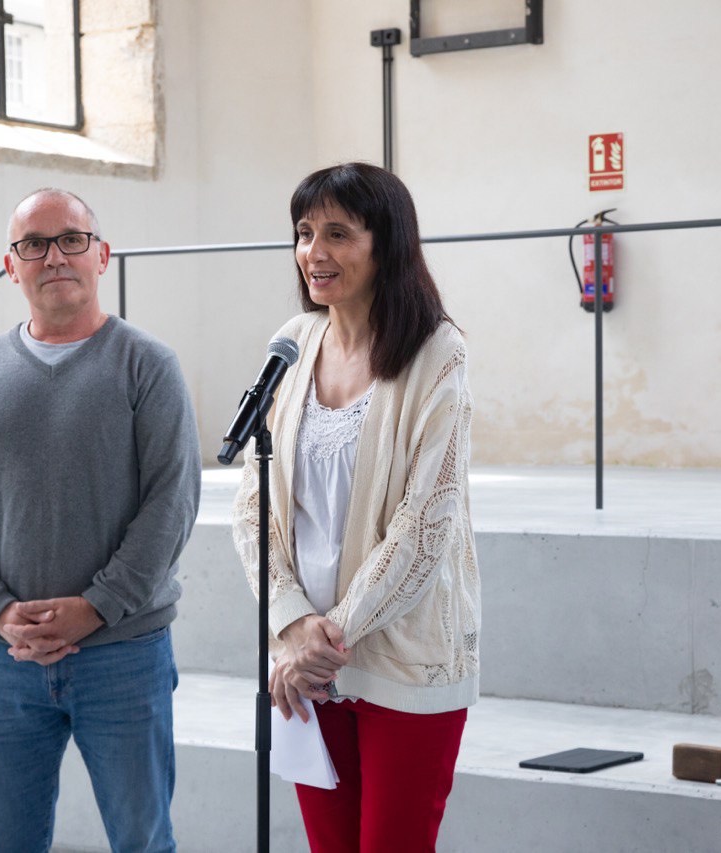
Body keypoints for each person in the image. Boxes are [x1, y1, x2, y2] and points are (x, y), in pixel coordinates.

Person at [0, 188, 202, 852]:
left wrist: (98, 606)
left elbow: (171, 500)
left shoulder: (147, 365)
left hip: (124, 654)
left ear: (101, 256)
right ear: (10, 266)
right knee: (8, 841)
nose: (54, 257)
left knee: (144, 840)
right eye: (34, 244)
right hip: (5, 657)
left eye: (72, 239)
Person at [231, 162, 480, 853]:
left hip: (399, 655)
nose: (314, 251)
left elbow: (426, 523)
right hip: (304, 659)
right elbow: (254, 509)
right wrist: (292, 624)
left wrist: (328, 638)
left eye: (338, 233)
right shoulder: (293, 342)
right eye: (304, 232)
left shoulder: (437, 352)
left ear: (386, 244)